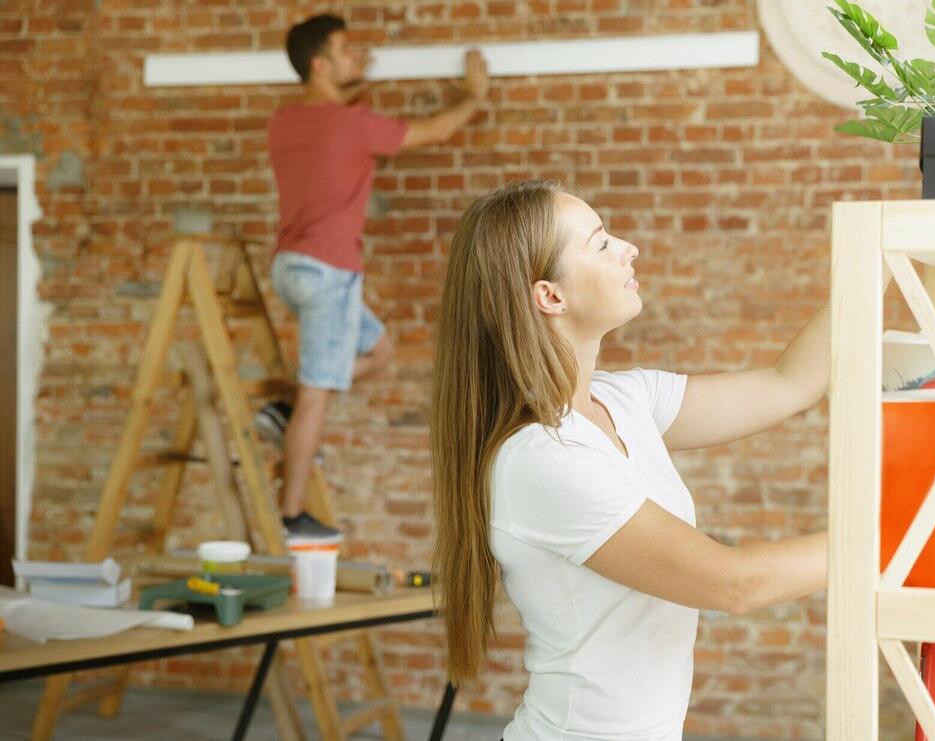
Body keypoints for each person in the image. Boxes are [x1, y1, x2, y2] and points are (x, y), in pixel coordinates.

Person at [430, 180, 834, 739]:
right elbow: (732, 584)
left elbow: (788, 385)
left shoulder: (626, 400)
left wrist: (879, 259)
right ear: (550, 296)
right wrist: (898, 542)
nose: (628, 248)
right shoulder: (541, 458)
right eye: (599, 244)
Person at [258, 13, 490, 540]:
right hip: (328, 272)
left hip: (290, 269)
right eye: (345, 50)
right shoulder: (353, 125)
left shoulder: (284, 123)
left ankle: (287, 411)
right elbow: (435, 130)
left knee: (379, 351)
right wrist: (473, 95)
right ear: (320, 64)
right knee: (319, 393)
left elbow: (329, 129)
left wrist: (355, 87)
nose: (356, 56)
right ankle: (292, 516)